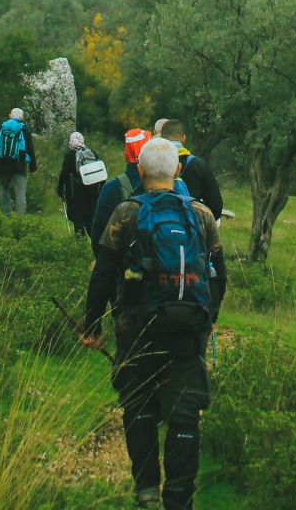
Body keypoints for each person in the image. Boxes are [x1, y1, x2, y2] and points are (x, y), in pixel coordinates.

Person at [83, 139, 225, 510]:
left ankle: (146, 489)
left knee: (139, 405)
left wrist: (91, 326)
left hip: (136, 329)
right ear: (177, 172)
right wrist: (207, 320)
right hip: (188, 330)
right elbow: (218, 276)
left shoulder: (126, 213)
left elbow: (102, 273)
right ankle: (179, 497)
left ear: (141, 172)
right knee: (184, 413)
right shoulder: (202, 216)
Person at [89, 127, 150, 256]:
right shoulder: (160, 186)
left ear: (127, 154)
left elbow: (97, 237)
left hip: (119, 266)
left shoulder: (110, 188)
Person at [157, 119, 223, 222]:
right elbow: (216, 208)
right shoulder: (199, 165)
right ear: (184, 139)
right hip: (191, 230)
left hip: (157, 229)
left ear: (161, 138)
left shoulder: (151, 162)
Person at [58, 131, 106, 238]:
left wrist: (60, 188)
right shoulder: (92, 153)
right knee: (89, 218)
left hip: (75, 193)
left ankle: (80, 242)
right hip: (92, 192)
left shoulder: (70, 155)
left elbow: (64, 173)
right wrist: (101, 187)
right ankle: (96, 242)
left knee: (77, 217)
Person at [0, 108, 37, 215]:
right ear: (22, 118)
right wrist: (33, 168)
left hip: (3, 164)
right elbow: (31, 149)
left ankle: (6, 214)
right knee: (20, 193)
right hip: (20, 165)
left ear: (10, 116)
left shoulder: (1, 127)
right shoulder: (24, 129)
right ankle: (20, 218)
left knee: (4, 188)